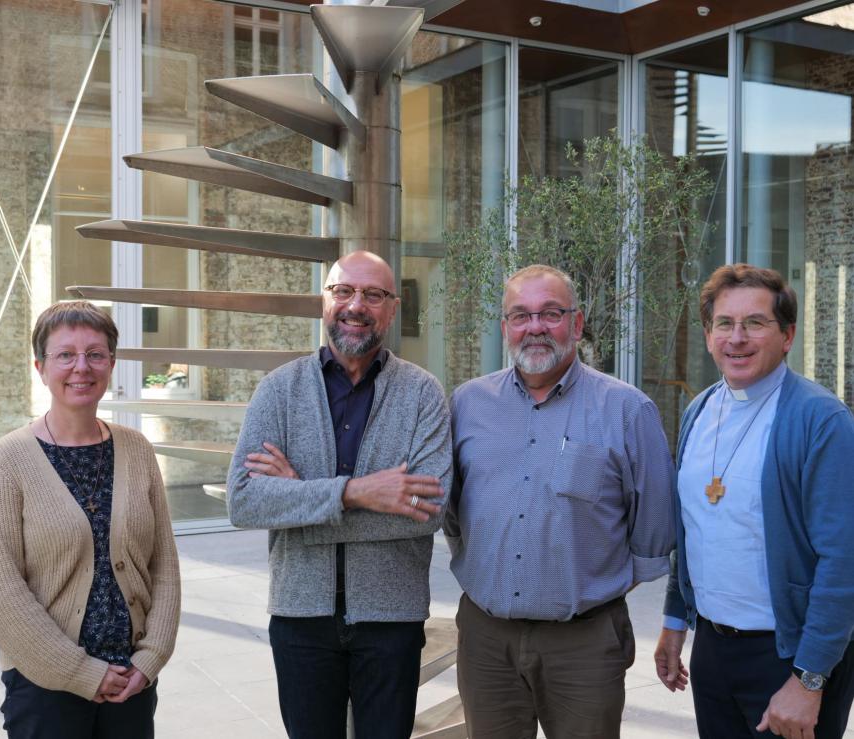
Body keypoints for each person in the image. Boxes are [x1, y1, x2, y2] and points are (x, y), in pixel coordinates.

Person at [227, 250, 452, 739]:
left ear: (392, 309)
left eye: (373, 295)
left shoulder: (423, 394)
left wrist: (299, 501)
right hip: (299, 616)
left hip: (391, 619)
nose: (357, 305)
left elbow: (427, 510)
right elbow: (244, 500)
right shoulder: (278, 391)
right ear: (324, 302)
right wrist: (357, 492)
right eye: (344, 291)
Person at [444, 264, 676, 739]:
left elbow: (653, 530)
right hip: (486, 641)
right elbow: (453, 515)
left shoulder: (627, 410)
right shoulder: (467, 404)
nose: (535, 327)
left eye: (551, 313)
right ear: (504, 326)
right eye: (520, 315)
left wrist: (586, 589)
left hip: (585, 644)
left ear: (577, 321)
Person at [654, 264, 854, 739]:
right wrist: (674, 619)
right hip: (715, 652)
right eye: (724, 323)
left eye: (755, 323)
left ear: (787, 335)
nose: (737, 338)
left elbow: (843, 560)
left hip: (789, 657)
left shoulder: (821, 421)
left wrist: (809, 679)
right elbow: (694, 531)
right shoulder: (698, 411)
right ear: (708, 335)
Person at [0, 301, 181, 739]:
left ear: (112, 363)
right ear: (40, 366)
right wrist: (79, 673)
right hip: (44, 686)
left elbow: (163, 565)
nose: (81, 367)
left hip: (131, 684)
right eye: (65, 354)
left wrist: (150, 659)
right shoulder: (7, 460)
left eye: (95, 354)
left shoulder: (137, 449)